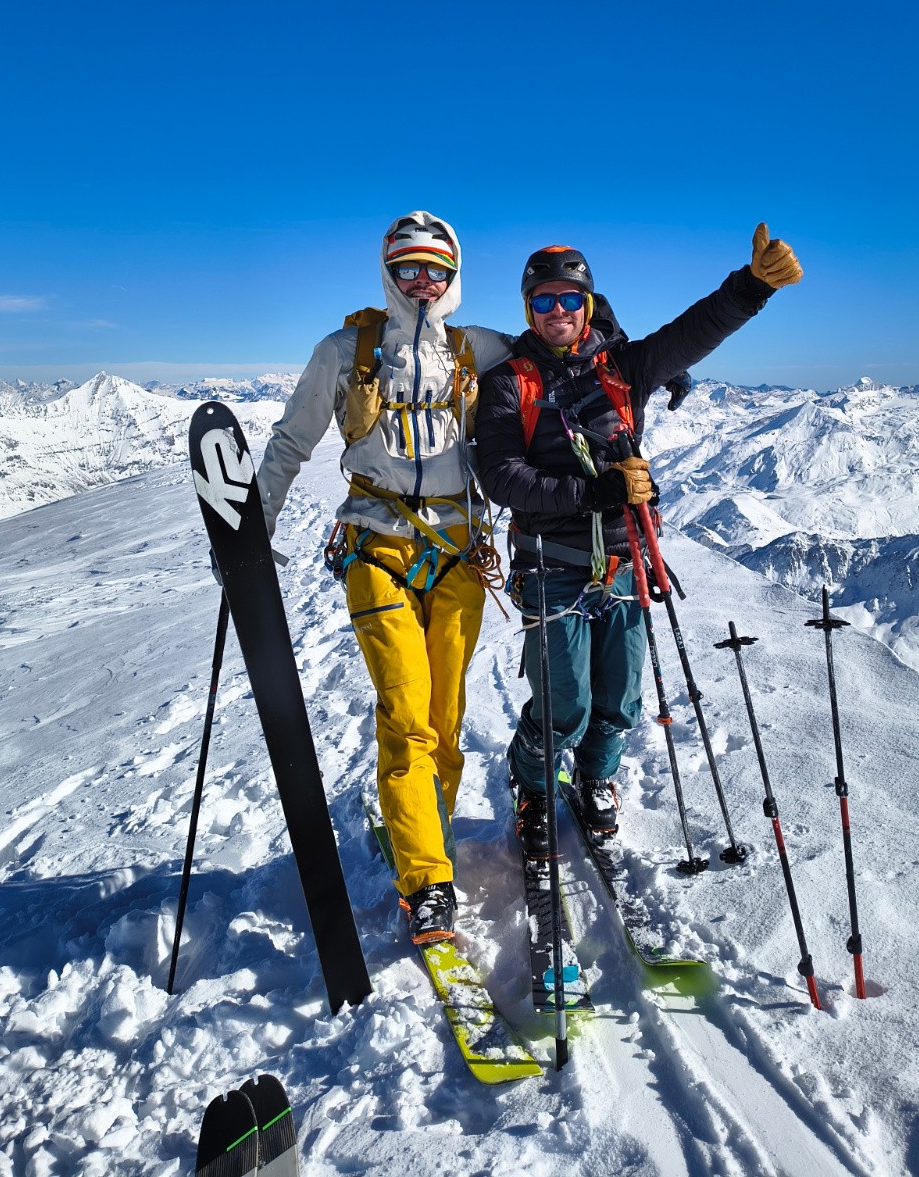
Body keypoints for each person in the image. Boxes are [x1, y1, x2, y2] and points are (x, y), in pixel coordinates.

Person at [475, 223, 802, 853]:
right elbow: (500, 476)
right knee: (564, 700)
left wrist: (751, 287)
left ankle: (596, 779)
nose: (558, 312)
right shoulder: (509, 382)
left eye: (570, 299)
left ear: (588, 305)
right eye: (544, 301)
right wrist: (591, 494)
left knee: (620, 694)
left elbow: (691, 334)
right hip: (552, 564)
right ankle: (535, 788)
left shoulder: (623, 368)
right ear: (528, 310)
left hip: (625, 560)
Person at [256, 212, 511, 944]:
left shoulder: (479, 348)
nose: (422, 282)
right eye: (407, 269)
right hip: (376, 549)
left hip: (458, 552)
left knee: (447, 720)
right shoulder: (345, 351)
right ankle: (427, 881)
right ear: (387, 275)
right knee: (407, 715)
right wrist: (253, 530)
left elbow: (565, 355)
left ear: (454, 275)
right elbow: (291, 441)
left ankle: (421, 828)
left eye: (435, 269)